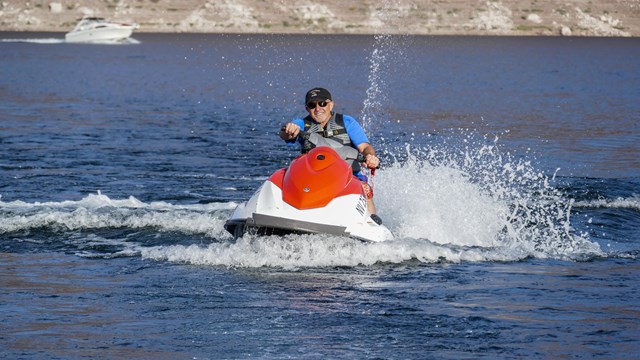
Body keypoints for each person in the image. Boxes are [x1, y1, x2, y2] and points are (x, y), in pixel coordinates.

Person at [279, 87, 383, 225]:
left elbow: (365, 147)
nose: (318, 108)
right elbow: (284, 133)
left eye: (322, 103)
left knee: (364, 187)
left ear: (331, 105)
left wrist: (370, 157)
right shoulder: (301, 124)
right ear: (307, 108)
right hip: (312, 177)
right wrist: (288, 129)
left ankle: (372, 224)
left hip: (347, 176)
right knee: (282, 176)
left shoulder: (347, 122)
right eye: (312, 105)